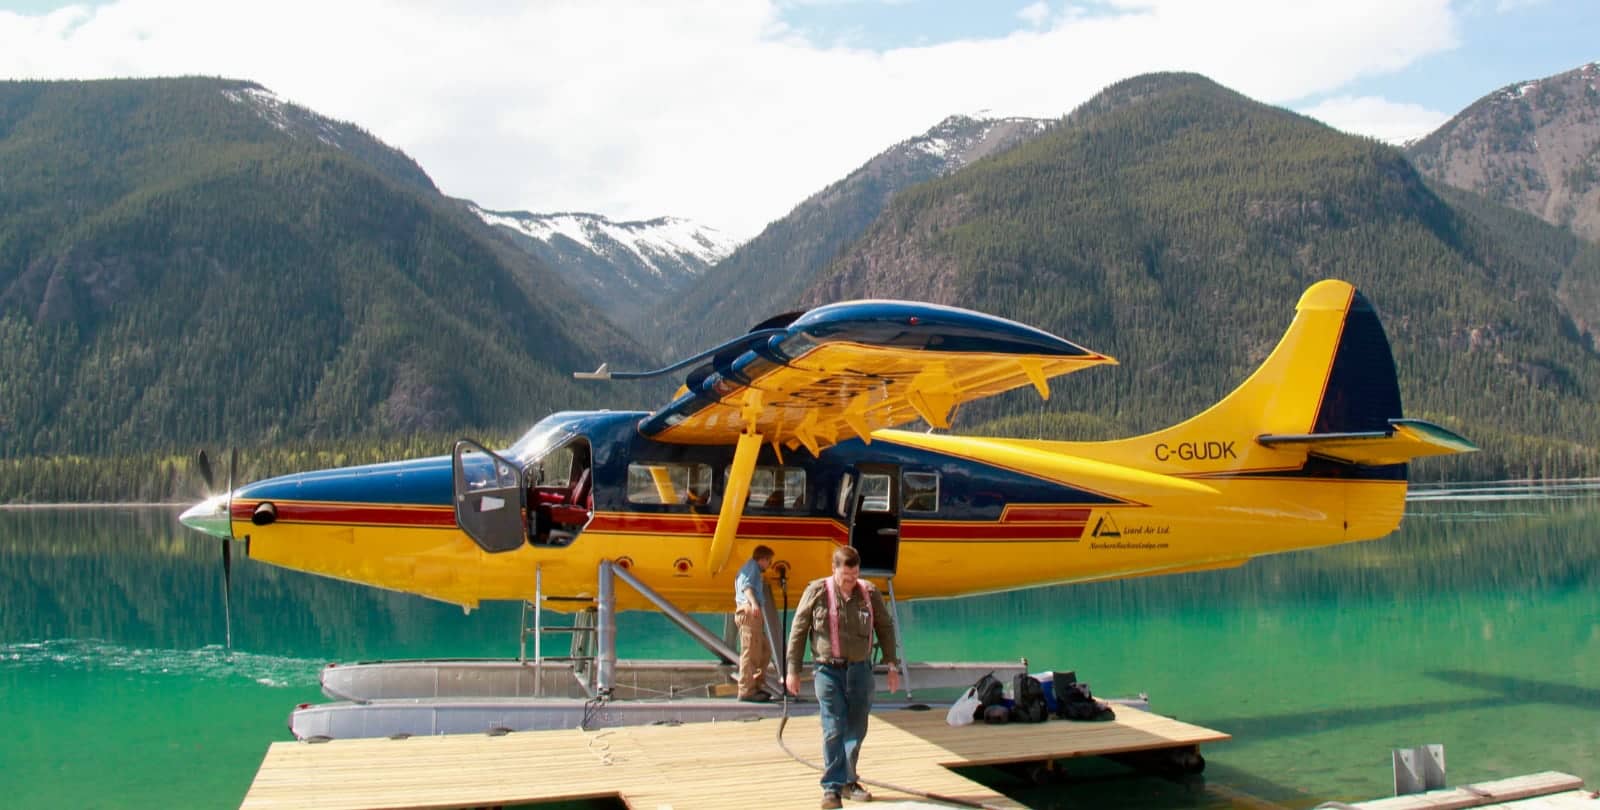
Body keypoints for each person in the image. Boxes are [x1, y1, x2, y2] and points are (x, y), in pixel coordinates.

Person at [785, 546, 899, 809]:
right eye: (846, 576)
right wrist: (792, 670)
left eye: (855, 575)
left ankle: (849, 779)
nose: (851, 581)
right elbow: (798, 630)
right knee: (833, 726)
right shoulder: (816, 592)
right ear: (834, 570)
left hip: (860, 670)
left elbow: (885, 627)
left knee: (857, 726)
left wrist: (891, 665)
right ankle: (832, 789)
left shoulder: (868, 593)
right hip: (828, 670)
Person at [734, 544, 777, 702]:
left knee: (764, 650)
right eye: (769, 561)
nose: (770, 565)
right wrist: (754, 604)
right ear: (762, 559)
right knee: (750, 653)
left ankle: (757, 685)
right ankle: (746, 690)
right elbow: (746, 587)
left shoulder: (753, 570)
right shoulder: (751, 567)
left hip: (752, 614)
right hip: (749, 612)